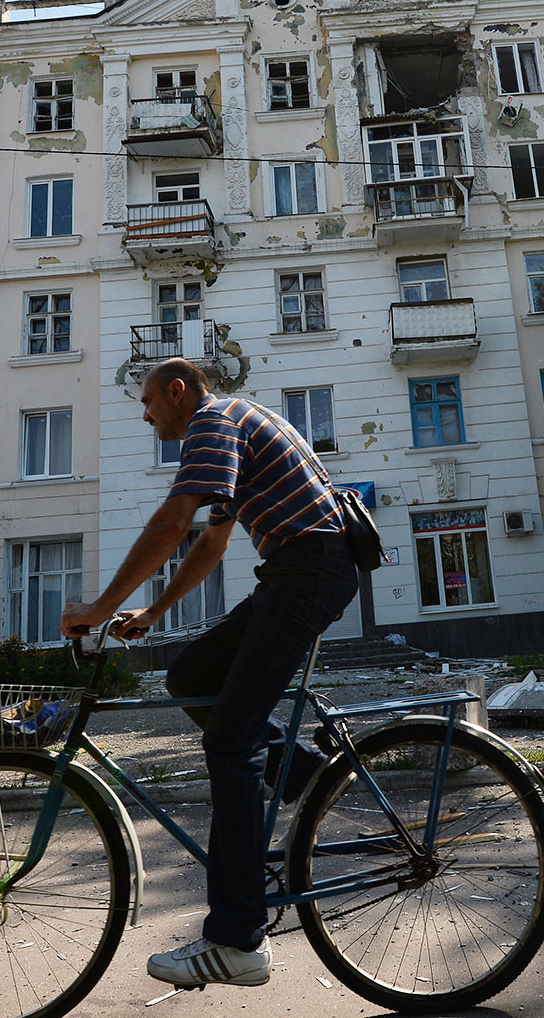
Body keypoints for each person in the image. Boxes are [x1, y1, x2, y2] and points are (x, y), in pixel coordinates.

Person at [60, 356, 360, 989]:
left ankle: (237, 940)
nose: (144, 415)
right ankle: (306, 772)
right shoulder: (232, 426)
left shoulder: (211, 421)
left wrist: (100, 608)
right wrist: (154, 610)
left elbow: (174, 521)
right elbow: (211, 541)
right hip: (296, 570)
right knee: (190, 671)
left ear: (177, 390)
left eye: (147, 402)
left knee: (229, 739)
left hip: (308, 569)